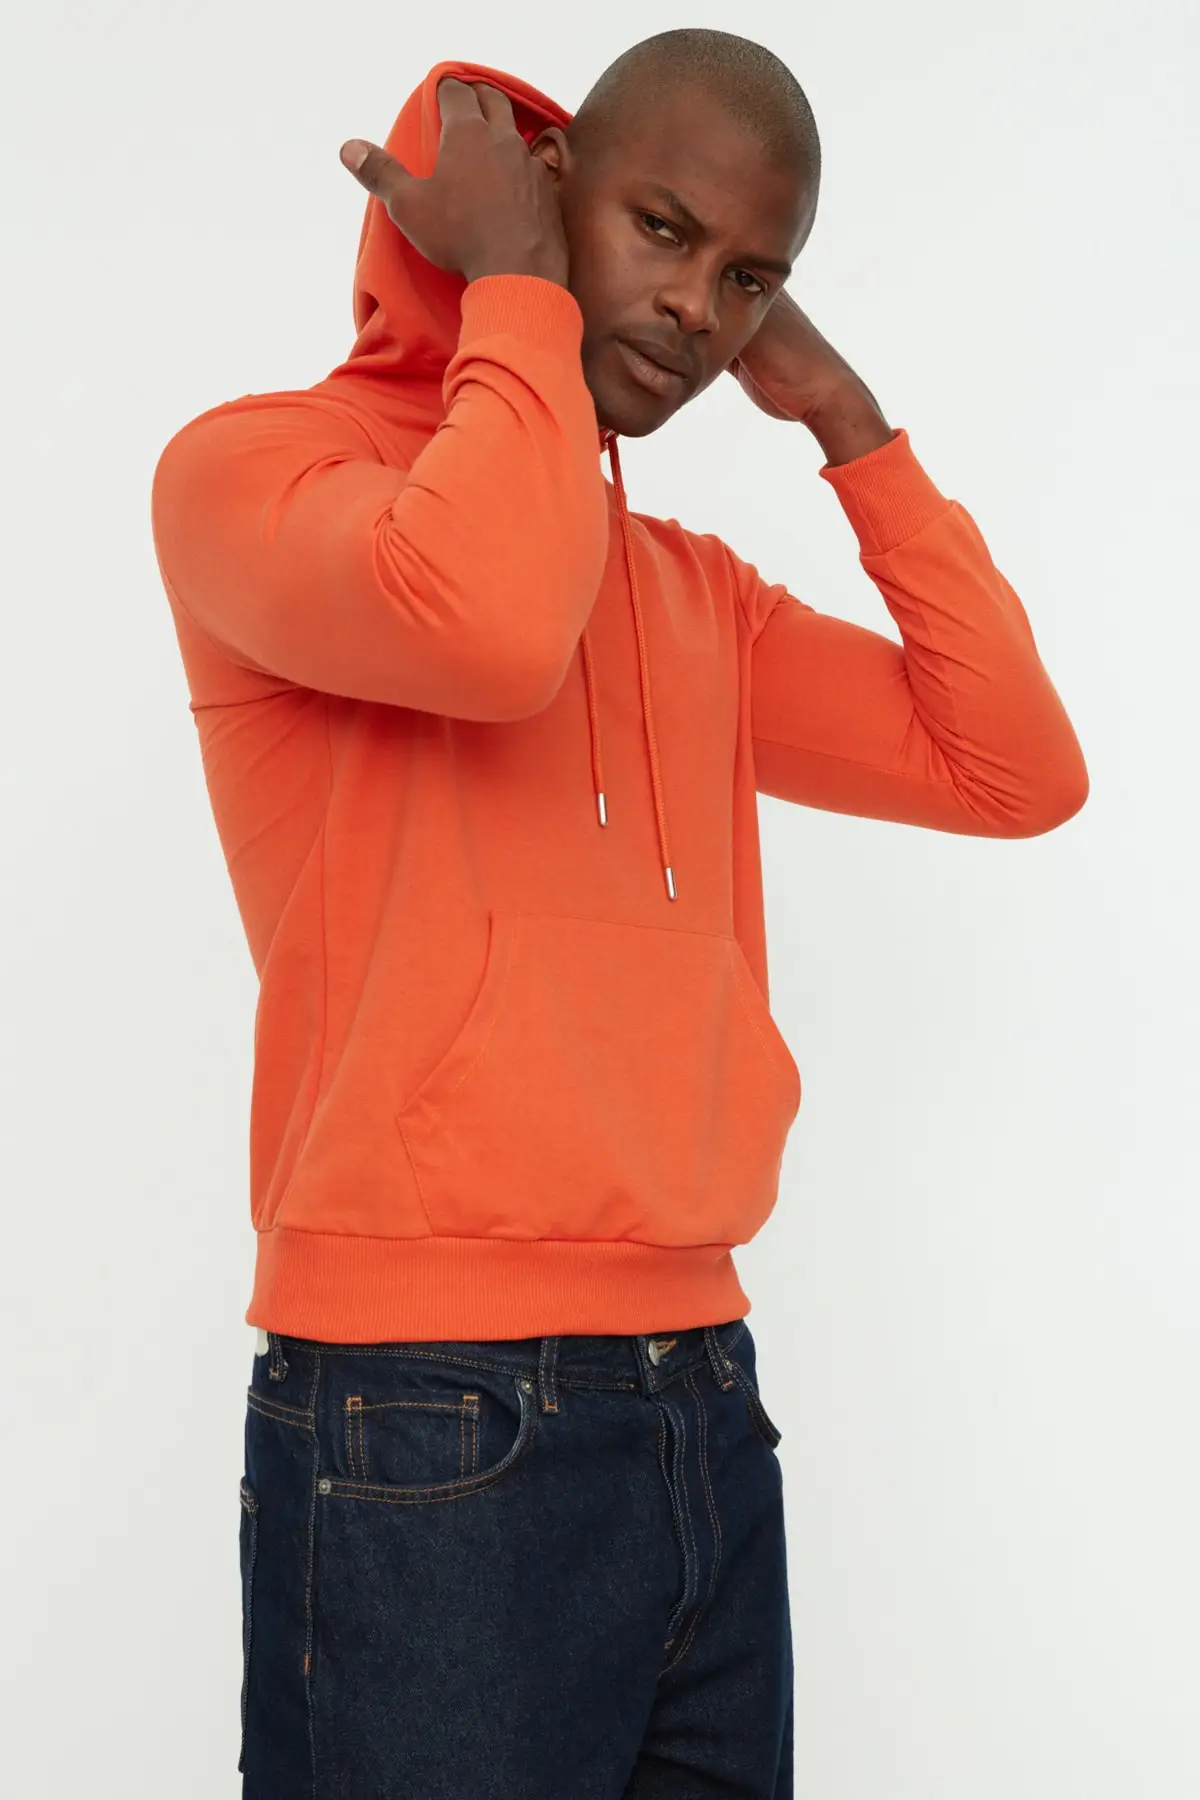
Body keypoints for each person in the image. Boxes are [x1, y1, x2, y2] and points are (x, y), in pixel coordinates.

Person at [150, 28, 1088, 1800]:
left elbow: (1014, 769)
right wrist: (510, 292)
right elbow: (491, 625)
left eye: (750, 279)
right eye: (664, 230)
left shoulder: (693, 597)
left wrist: (850, 425)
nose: (698, 311)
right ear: (543, 191)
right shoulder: (254, 474)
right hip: (426, 1405)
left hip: (702, 1397)